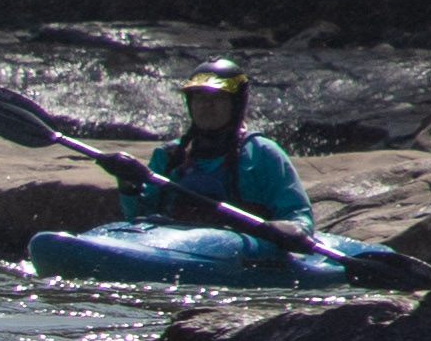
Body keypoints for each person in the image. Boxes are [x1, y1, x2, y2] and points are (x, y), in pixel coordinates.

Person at [124, 68, 313, 234]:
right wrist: (128, 187)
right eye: (200, 97)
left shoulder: (262, 154)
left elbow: (298, 217)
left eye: (218, 98)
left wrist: (293, 229)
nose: (207, 105)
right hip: (179, 249)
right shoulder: (169, 155)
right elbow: (139, 218)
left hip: (243, 254)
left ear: (236, 104)